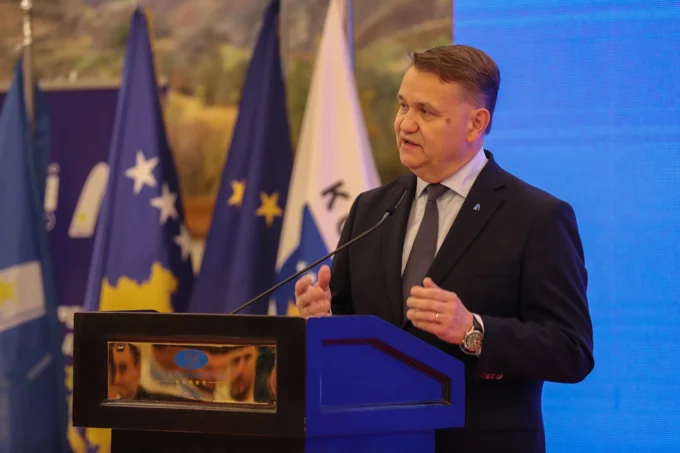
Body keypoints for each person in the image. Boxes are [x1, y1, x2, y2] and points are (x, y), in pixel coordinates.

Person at [294, 44, 594, 453]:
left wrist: (472, 330)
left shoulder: (537, 218)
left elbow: (572, 350)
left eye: (426, 112)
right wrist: (326, 321)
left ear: (476, 123)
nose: (405, 123)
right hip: (374, 440)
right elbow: (355, 324)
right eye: (403, 105)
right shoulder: (371, 209)